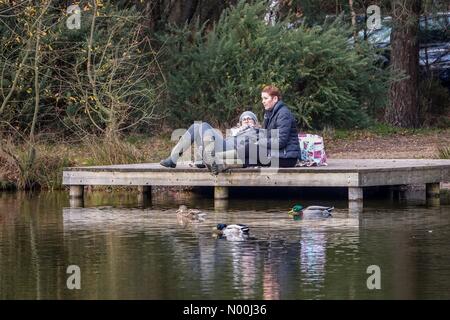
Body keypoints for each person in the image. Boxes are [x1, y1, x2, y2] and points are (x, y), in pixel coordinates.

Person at [159, 111, 260, 171]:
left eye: (250, 119)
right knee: (195, 126)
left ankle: (207, 159)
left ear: (255, 123)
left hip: (231, 151)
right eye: (244, 119)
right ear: (240, 123)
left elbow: (257, 149)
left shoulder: (258, 132)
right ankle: (173, 158)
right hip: (222, 147)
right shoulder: (234, 132)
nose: (247, 120)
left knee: (204, 126)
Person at [258, 85, 300, 168]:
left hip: (287, 157)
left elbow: (281, 141)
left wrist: (260, 142)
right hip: (276, 154)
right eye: (262, 99)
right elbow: (265, 135)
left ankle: (227, 160)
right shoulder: (270, 114)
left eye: (266, 98)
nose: (263, 101)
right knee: (250, 148)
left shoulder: (283, 114)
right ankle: (227, 161)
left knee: (252, 153)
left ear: (275, 99)